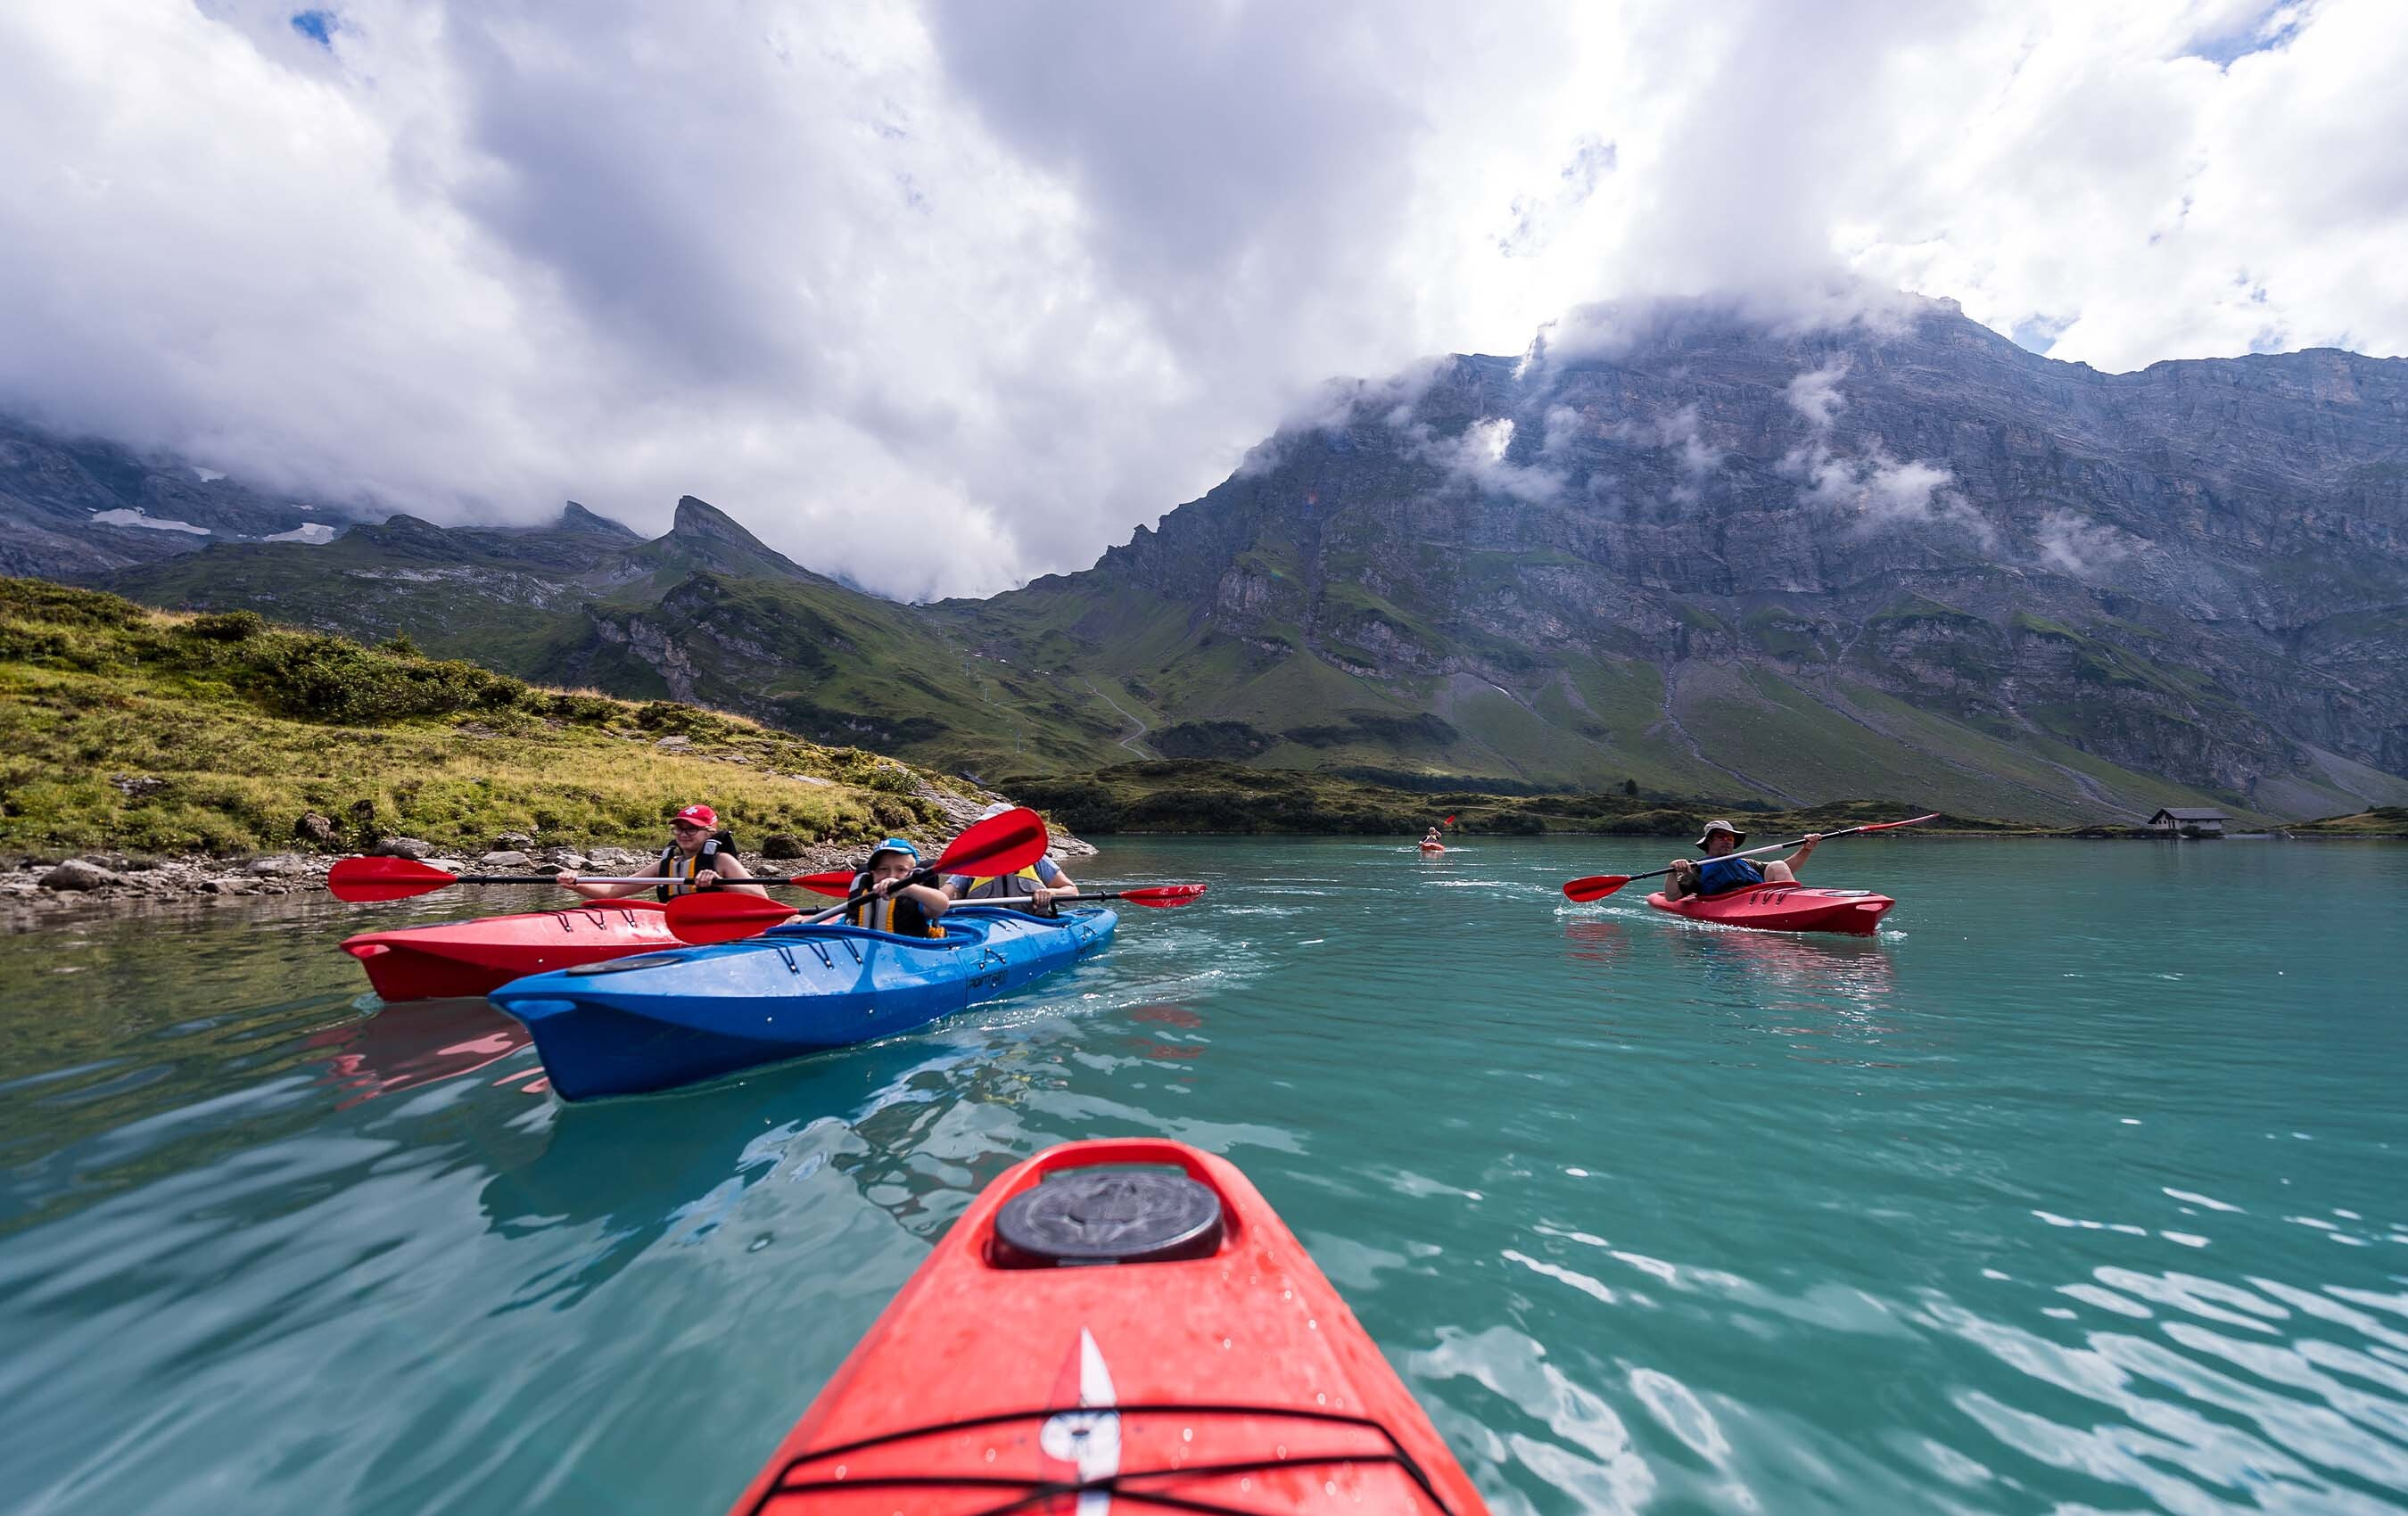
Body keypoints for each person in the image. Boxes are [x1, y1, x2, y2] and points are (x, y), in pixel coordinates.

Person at [556, 803, 767, 901]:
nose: (683, 834)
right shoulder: (665, 866)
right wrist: (577, 883)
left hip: (720, 928)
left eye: (691, 829)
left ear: (708, 833)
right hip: (677, 928)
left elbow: (761, 897)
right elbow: (612, 891)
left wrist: (720, 881)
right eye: (679, 829)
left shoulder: (722, 861)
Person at [942, 802, 1079, 913]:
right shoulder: (971, 863)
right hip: (983, 929)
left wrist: (1051, 892)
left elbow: (1073, 894)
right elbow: (945, 896)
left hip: (1032, 925)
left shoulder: (1036, 859)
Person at [1664, 819, 1823, 901]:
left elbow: (1786, 869)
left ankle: (1794, 901)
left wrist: (1806, 849)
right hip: (1727, 902)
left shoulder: (1747, 863)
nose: (1727, 840)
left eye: (1730, 837)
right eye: (1721, 836)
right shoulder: (1697, 868)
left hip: (1761, 899)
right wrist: (1672, 870)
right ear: (1709, 841)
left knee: (1778, 864)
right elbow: (1672, 897)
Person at [849, 837, 950, 936]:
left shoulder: (916, 896)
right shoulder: (862, 891)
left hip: (908, 949)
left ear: (911, 873)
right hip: (859, 947)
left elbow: (942, 905)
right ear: (873, 874)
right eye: (883, 869)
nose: (891, 875)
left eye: (901, 870)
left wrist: (906, 889)